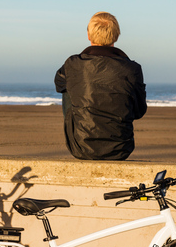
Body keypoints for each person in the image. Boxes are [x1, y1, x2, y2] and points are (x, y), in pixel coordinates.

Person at [54, 12, 147, 160]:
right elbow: (139, 111)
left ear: (89, 35)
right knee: (69, 83)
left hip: (80, 147)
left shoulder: (73, 64)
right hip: (121, 149)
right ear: (116, 36)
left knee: (67, 85)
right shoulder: (132, 69)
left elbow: (58, 85)